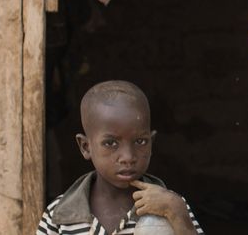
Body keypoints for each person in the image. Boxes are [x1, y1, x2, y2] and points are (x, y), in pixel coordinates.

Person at [37, 80, 203, 235]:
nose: (128, 157)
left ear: (151, 143)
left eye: (140, 141)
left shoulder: (171, 205)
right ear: (86, 147)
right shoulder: (59, 215)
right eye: (111, 143)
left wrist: (178, 216)